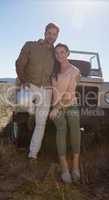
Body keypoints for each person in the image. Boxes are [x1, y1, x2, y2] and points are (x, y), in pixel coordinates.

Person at [16, 23, 59, 159]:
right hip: (30, 85)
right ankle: (30, 116)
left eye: (54, 34)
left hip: (46, 90)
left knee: (41, 123)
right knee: (22, 103)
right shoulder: (30, 45)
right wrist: (23, 81)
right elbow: (19, 63)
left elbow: (63, 66)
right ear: (45, 32)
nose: (51, 36)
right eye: (49, 33)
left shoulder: (56, 53)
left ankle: (32, 155)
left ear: (57, 36)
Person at [49, 43, 81, 183]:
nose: (59, 55)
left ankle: (75, 164)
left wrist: (57, 108)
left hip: (70, 104)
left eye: (62, 52)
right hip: (56, 105)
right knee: (61, 128)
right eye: (57, 53)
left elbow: (69, 93)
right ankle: (64, 166)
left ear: (68, 53)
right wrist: (54, 107)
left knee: (75, 128)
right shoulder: (53, 70)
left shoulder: (75, 71)